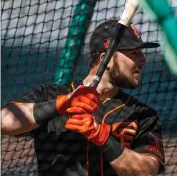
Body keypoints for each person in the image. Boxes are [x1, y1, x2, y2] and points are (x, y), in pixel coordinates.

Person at [1, 20, 165, 176]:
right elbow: (5, 121)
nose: (143, 61)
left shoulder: (143, 114)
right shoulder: (50, 94)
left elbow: (147, 171)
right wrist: (62, 103)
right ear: (105, 60)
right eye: (134, 53)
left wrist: (103, 138)